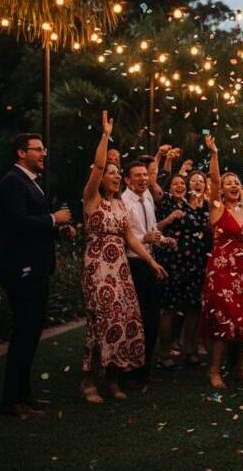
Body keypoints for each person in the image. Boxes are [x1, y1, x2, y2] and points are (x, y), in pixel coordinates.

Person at [80, 112, 164, 402]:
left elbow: (130, 238)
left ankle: (113, 381)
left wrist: (151, 261)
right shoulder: (92, 200)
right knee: (100, 322)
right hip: (98, 269)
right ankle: (89, 382)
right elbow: (100, 163)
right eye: (112, 173)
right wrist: (105, 136)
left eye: (118, 174)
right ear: (100, 178)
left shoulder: (119, 206)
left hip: (121, 269)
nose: (115, 176)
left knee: (123, 320)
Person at [0, 132, 74, 418]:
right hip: (21, 269)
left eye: (44, 149)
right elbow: (19, 224)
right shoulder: (12, 183)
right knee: (24, 333)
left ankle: (23, 395)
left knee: (30, 333)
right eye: (37, 149)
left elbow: (35, 223)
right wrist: (55, 219)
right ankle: (11, 401)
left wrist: (60, 229)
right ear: (21, 152)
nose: (44, 154)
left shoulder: (30, 182)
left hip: (37, 267)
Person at [202, 135, 243, 388]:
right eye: (229, 184)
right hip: (222, 269)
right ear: (222, 191)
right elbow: (214, 180)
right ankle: (214, 371)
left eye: (236, 182)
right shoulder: (217, 208)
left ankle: (241, 368)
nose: (233, 186)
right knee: (224, 320)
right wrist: (214, 153)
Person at [121, 159, 175, 388]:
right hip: (132, 265)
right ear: (127, 179)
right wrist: (146, 239)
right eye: (138, 175)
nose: (144, 179)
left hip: (151, 263)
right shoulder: (123, 201)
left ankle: (144, 370)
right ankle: (130, 372)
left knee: (152, 318)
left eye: (145, 175)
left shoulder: (148, 198)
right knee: (136, 319)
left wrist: (164, 239)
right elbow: (126, 237)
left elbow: (152, 230)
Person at [149, 168, 212, 368]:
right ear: (169, 188)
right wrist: (170, 219)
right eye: (176, 183)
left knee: (194, 308)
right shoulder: (165, 203)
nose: (180, 187)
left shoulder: (192, 206)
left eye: (182, 184)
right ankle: (165, 354)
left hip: (195, 264)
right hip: (172, 263)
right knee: (170, 309)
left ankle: (190, 350)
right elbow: (154, 229)